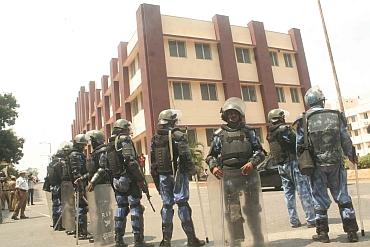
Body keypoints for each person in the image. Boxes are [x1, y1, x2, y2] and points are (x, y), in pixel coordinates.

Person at [296, 86, 359, 243]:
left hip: (316, 165)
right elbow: (345, 138)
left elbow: (299, 146)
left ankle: (323, 233)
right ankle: (351, 231)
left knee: (319, 198)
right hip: (336, 163)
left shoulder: (304, 119)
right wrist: (351, 155)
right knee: (342, 195)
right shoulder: (335, 115)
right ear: (321, 101)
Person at [206, 97, 265, 246]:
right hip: (229, 177)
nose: (232, 116)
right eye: (229, 113)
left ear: (240, 115)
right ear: (225, 116)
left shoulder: (249, 131)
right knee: (233, 212)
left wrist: (252, 162)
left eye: (235, 113)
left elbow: (261, 152)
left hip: (249, 175)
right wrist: (213, 167)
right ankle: (236, 242)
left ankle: (258, 239)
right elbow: (211, 156)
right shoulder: (219, 134)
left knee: (252, 210)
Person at [150, 109, 205, 247]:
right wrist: (193, 170)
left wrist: (157, 180)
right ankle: (192, 239)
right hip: (177, 174)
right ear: (172, 121)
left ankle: (166, 241)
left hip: (163, 176)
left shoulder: (155, 138)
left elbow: (153, 163)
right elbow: (186, 157)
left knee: (167, 205)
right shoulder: (178, 135)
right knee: (182, 204)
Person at [107, 119, 153, 247]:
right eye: (127, 128)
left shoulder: (110, 144)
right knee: (135, 207)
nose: (129, 130)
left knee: (121, 207)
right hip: (129, 180)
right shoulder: (124, 140)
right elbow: (130, 161)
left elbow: (106, 166)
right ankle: (138, 240)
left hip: (117, 180)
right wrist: (140, 179)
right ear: (123, 129)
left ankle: (118, 240)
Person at [267, 109, 315, 228]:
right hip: (292, 163)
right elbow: (297, 142)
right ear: (280, 118)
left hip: (280, 165)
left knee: (288, 194)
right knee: (303, 190)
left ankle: (294, 221)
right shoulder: (284, 130)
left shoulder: (270, 133)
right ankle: (311, 219)